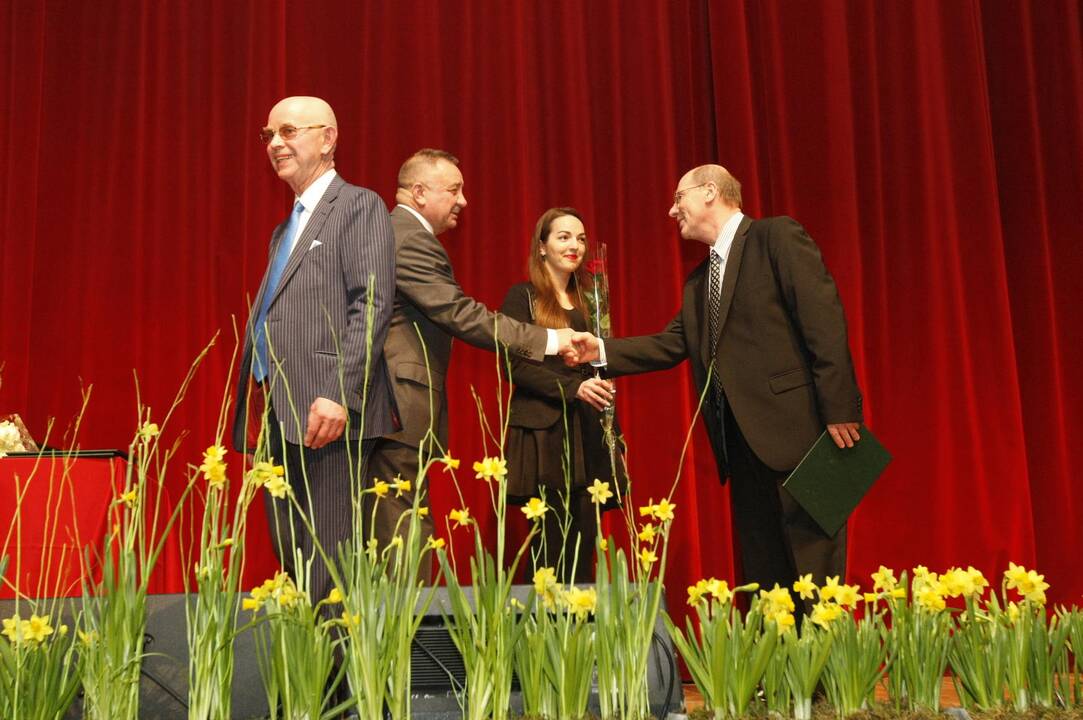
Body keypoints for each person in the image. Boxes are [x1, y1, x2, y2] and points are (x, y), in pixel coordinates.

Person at [570, 164, 862, 600]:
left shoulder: (776, 237)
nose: (672, 211)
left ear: (710, 191)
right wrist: (602, 351)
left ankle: (822, 670)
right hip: (742, 447)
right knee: (767, 579)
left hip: (810, 435)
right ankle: (780, 670)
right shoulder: (699, 281)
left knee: (817, 575)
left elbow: (824, 322)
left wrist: (841, 410)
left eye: (677, 198)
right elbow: (671, 344)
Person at [367, 150, 589, 572]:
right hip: (398, 407)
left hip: (391, 408)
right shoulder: (407, 236)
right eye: (453, 189)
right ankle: (402, 637)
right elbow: (459, 313)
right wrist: (550, 339)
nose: (463, 200)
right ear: (418, 193)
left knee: (391, 525)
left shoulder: (389, 232)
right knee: (402, 530)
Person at [231, 96, 396, 604]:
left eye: (288, 131)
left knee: (329, 562)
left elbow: (370, 302)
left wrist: (337, 393)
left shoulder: (358, 205)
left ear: (327, 139)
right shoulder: (287, 227)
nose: (276, 143)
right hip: (279, 412)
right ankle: (307, 674)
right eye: (268, 135)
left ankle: (336, 684)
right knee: (294, 555)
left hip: (328, 414)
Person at [500, 207, 624, 583]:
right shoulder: (522, 296)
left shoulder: (592, 299)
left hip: (588, 430)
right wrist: (575, 387)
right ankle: (541, 636)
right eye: (564, 237)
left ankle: (579, 636)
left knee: (586, 541)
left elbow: (605, 359)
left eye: (581, 238)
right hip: (544, 434)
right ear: (542, 246)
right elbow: (515, 366)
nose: (575, 246)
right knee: (550, 546)